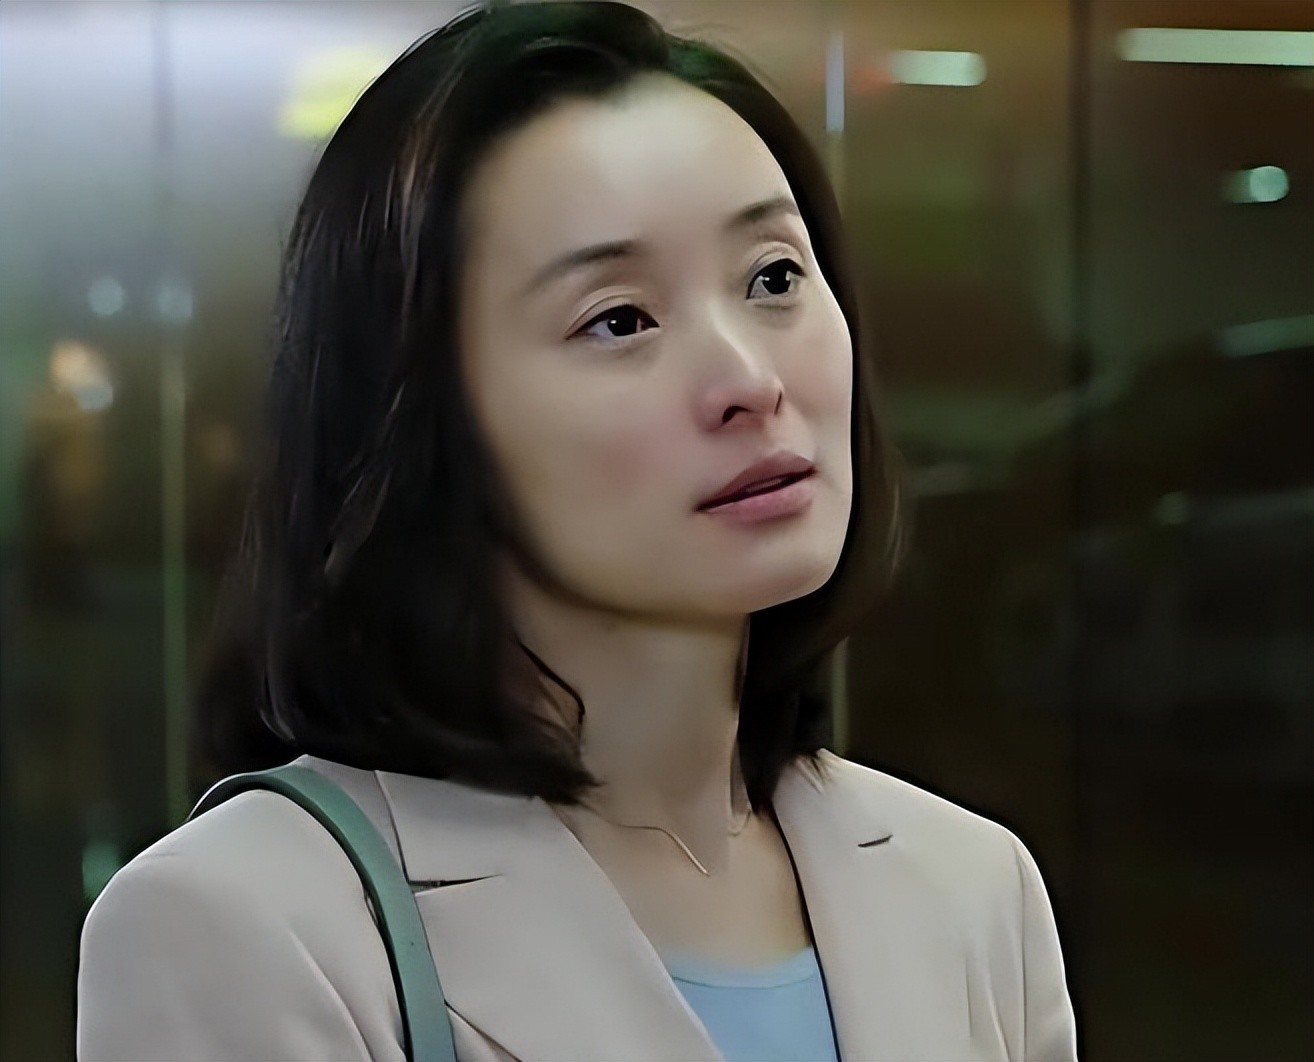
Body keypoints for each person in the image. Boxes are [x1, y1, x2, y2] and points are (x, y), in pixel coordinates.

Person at [76, 2, 1080, 1059]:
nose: (750, 379)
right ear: (422, 418)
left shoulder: (973, 889)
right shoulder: (246, 924)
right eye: (619, 319)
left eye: (774, 277)